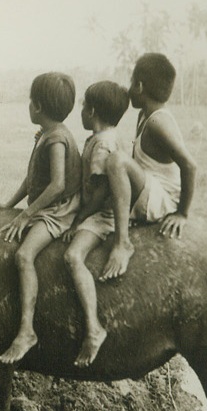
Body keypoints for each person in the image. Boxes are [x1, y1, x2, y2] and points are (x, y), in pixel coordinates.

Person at [0, 72, 82, 364]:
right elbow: (32, 179)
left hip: (59, 212)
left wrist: (27, 214)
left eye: (31, 100)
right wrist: (9, 206)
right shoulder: (47, 134)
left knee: (23, 256)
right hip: (46, 207)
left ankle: (26, 330)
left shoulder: (56, 139)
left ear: (38, 106)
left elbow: (57, 185)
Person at [98, 52, 198, 279]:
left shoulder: (158, 122)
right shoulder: (145, 114)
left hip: (161, 197)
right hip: (149, 189)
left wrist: (182, 213)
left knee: (116, 160)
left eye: (132, 82)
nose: (130, 87)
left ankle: (123, 244)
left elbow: (190, 165)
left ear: (140, 86)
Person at [62, 81, 133, 366]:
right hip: (97, 209)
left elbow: (102, 190)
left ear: (92, 111)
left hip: (101, 215)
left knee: (72, 256)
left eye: (82, 106)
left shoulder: (102, 143)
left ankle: (93, 327)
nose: (80, 111)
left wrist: (78, 219)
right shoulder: (104, 137)